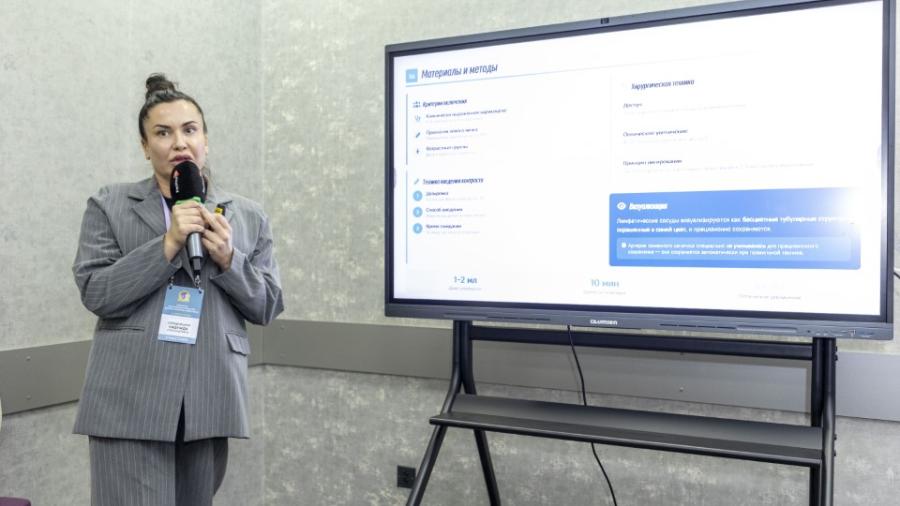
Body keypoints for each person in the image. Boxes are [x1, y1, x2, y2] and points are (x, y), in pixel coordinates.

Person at [72, 74, 284, 505]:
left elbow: (267, 305)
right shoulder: (110, 205)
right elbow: (97, 291)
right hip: (130, 399)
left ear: (206, 139)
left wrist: (229, 259)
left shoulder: (246, 216)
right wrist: (166, 245)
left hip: (209, 397)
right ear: (145, 145)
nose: (179, 143)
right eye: (163, 133)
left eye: (190, 130)